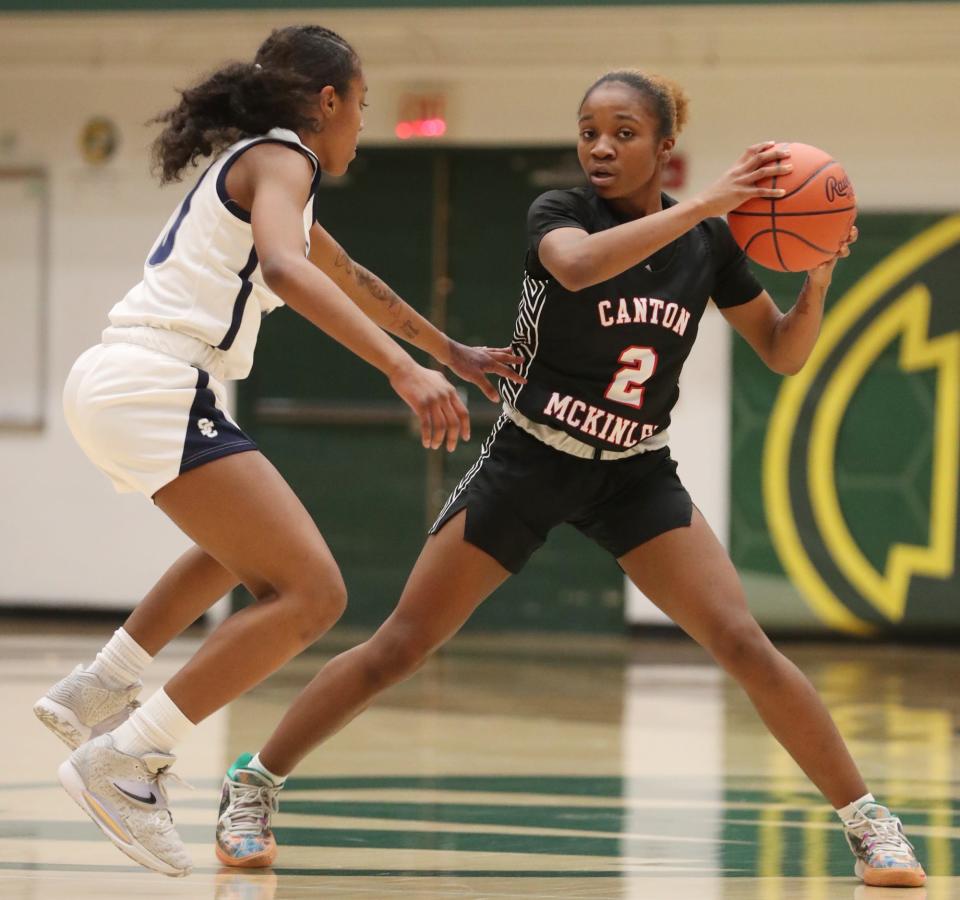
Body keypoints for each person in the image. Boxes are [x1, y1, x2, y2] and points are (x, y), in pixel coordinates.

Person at [206, 71, 927, 888]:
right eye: (589, 131)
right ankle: (255, 783)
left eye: (623, 132)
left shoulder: (710, 245)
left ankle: (869, 823)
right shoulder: (561, 214)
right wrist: (705, 204)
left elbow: (785, 353)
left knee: (742, 641)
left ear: (664, 145)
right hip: (531, 458)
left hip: (634, 473)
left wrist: (819, 278)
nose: (601, 148)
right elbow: (578, 271)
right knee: (400, 646)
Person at [33, 25, 521, 878]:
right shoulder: (284, 157)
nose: (362, 126)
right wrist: (405, 375)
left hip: (119, 378)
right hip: (156, 381)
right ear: (326, 102)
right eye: (362, 105)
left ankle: (102, 685)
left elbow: (351, 279)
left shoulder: (273, 172)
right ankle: (128, 759)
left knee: (246, 560)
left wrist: (453, 354)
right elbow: (290, 272)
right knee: (313, 594)